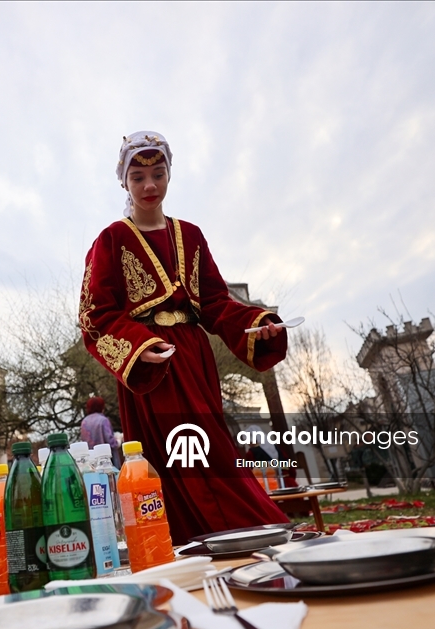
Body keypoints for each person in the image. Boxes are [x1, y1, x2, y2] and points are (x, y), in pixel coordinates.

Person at [78, 131, 290, 544]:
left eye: (158, 174)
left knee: (212, 448)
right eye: (138, 177)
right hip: (150, 367)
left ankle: (243, 534)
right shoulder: (111, 239)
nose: (150, 185)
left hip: (194, 357)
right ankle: (206, 539)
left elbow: (214, 301)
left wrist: (257, 323)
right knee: (170, 459)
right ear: (124, 181)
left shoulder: (190, 235)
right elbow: (95, 315)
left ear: (170, 175)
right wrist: (140, 346)